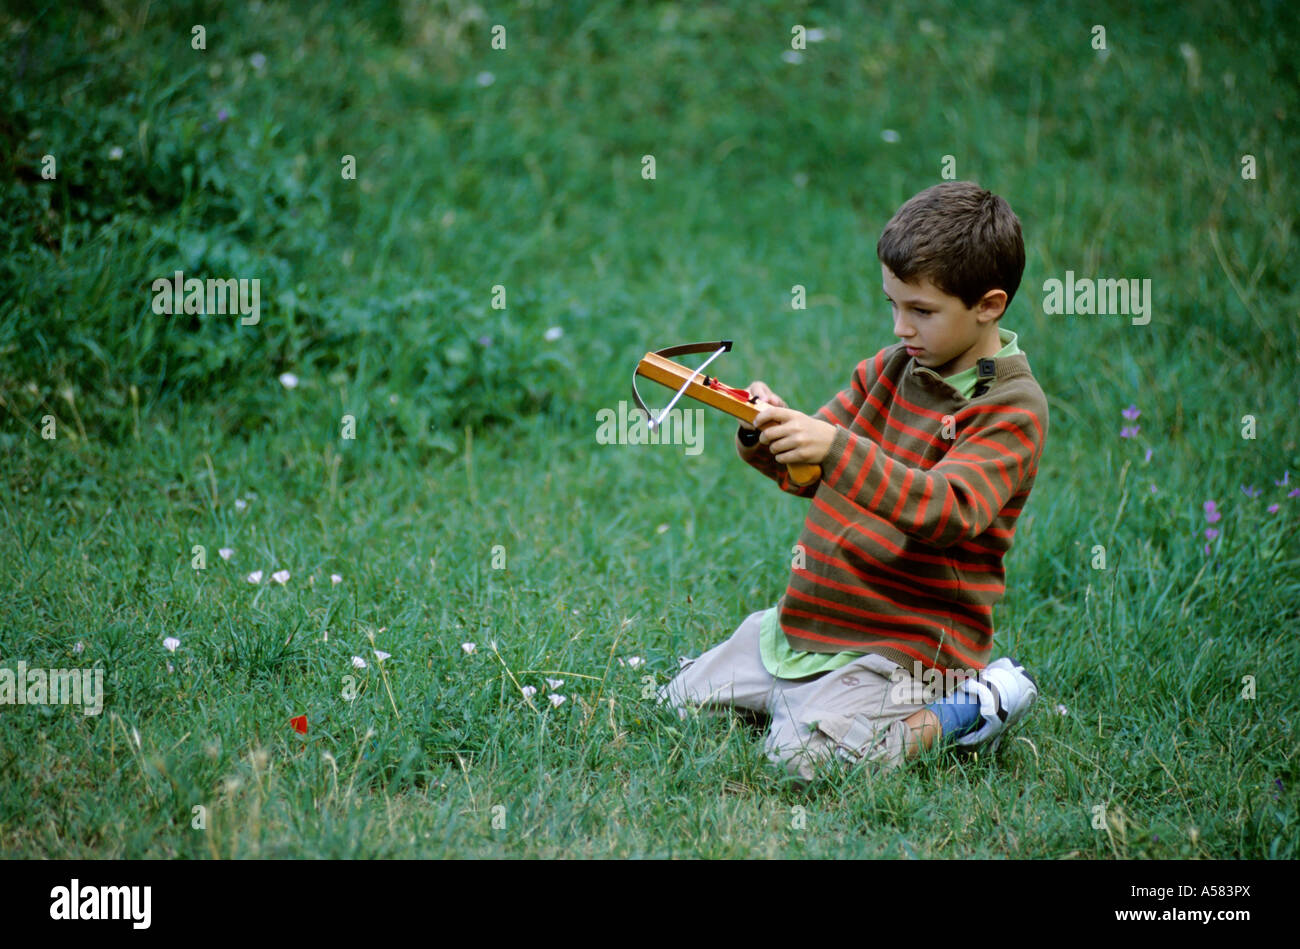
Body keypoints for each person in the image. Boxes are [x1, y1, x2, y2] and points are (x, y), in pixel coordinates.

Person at [659, 181, 1046, 782]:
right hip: (813, 623)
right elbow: (814, 474)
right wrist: (770, 431)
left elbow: (949, 511)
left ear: (989, 306)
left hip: (908, 648)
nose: (901, 327)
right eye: (892, 304)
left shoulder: (1011, 409)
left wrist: (836, 447)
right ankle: (809, 701)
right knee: (673, 707)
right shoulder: (889, 370)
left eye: (921, 311)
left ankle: (972, 704)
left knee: (800, 766)